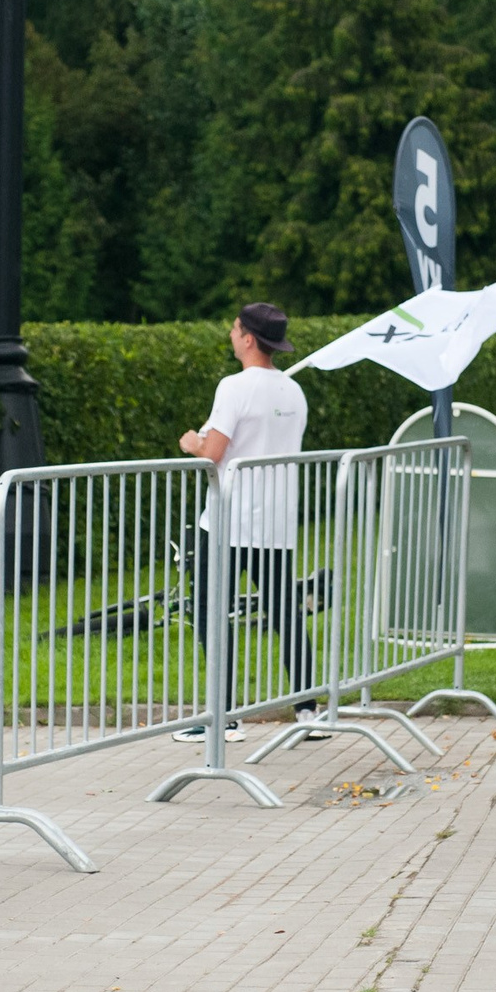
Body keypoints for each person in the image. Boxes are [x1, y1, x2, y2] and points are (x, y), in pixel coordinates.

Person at [176, 304, 313, 742]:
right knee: (285, 612)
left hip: (229, 520)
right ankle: (308, 711)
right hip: (275, 519)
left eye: (235, 328)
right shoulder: (293, 391)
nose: (231, 334)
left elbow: (213, 451)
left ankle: (224, 715)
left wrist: (191, 442)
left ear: (249, 338)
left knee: (210, 611)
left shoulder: (233, 387)